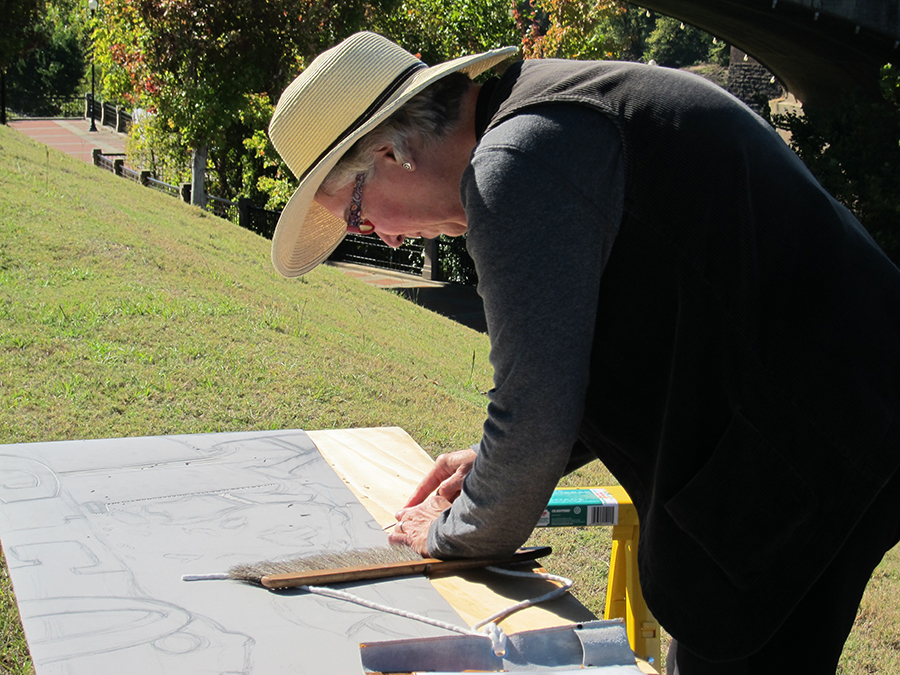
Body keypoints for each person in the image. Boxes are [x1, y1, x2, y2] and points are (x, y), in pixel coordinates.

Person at [267, 32, 900, 674]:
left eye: (354, 213)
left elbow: (536, 413)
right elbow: (590, 356)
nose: (380, 238)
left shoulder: (519, 162)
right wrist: (491, 467)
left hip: (822, 431)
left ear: (389, 151)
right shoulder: (540, 124)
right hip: (839, 409)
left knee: (728, 632)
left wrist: (447, 534)